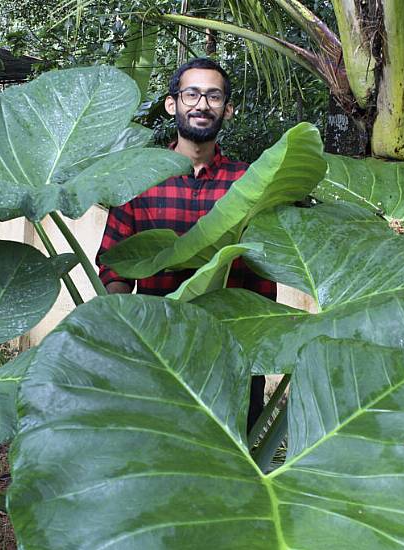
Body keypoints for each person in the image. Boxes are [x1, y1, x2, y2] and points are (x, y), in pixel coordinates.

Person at [96, 57, 276, 433]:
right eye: (191, 94)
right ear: (172, 103)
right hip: (159, 353)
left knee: (232, 465)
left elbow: (264, 270)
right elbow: (115, 267)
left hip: (233, 351)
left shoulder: (250, 182)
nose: (201, 104)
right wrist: (126, 336)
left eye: (213, 96)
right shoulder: (139, 178)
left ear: (227, 109)